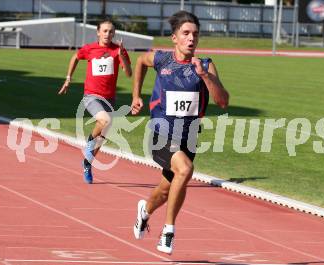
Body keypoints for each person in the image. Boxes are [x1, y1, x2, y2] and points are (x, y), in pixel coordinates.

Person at [130, 11, 229, 255]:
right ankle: (168, 231)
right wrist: (136, 96)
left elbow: (223, 101)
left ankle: (145, 211)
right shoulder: (162, 60)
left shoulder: (205, 65)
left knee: (166, 190)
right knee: (185, 170)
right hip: (161, 133)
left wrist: (205, 76)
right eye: (185, 33)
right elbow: (141, 61)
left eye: (195, 34)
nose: (191, 38)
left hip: (188, 137)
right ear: (175, 37)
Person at [58, 17, 132, 184]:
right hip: (91, 96)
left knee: (103, 136)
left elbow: (128, 73)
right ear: (98, 32)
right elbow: (75, 57)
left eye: (111, 31)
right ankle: (89, 142)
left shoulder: (118, 50)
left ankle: (87, 163)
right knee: (104, 121)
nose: (108, 34)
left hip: (110, 98)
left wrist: (123, 56)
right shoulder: (89, 49)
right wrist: (68, 78)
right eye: (105, 31)